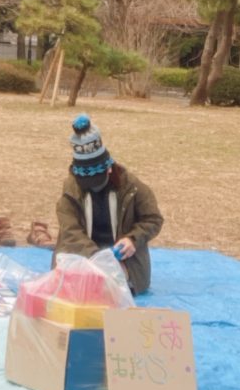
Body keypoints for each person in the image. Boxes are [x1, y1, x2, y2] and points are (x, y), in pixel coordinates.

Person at [53, 114, 163, 295]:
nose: (92, 186)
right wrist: (97, 258)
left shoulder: (132, 186)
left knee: (113, 287)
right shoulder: (71, 189)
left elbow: (153, 219)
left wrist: (133, 239)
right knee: (76, 286)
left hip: (122, 257)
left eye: (97, 179)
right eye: (85, 181)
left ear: (109, 168)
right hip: (82, 253)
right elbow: (70, 231)